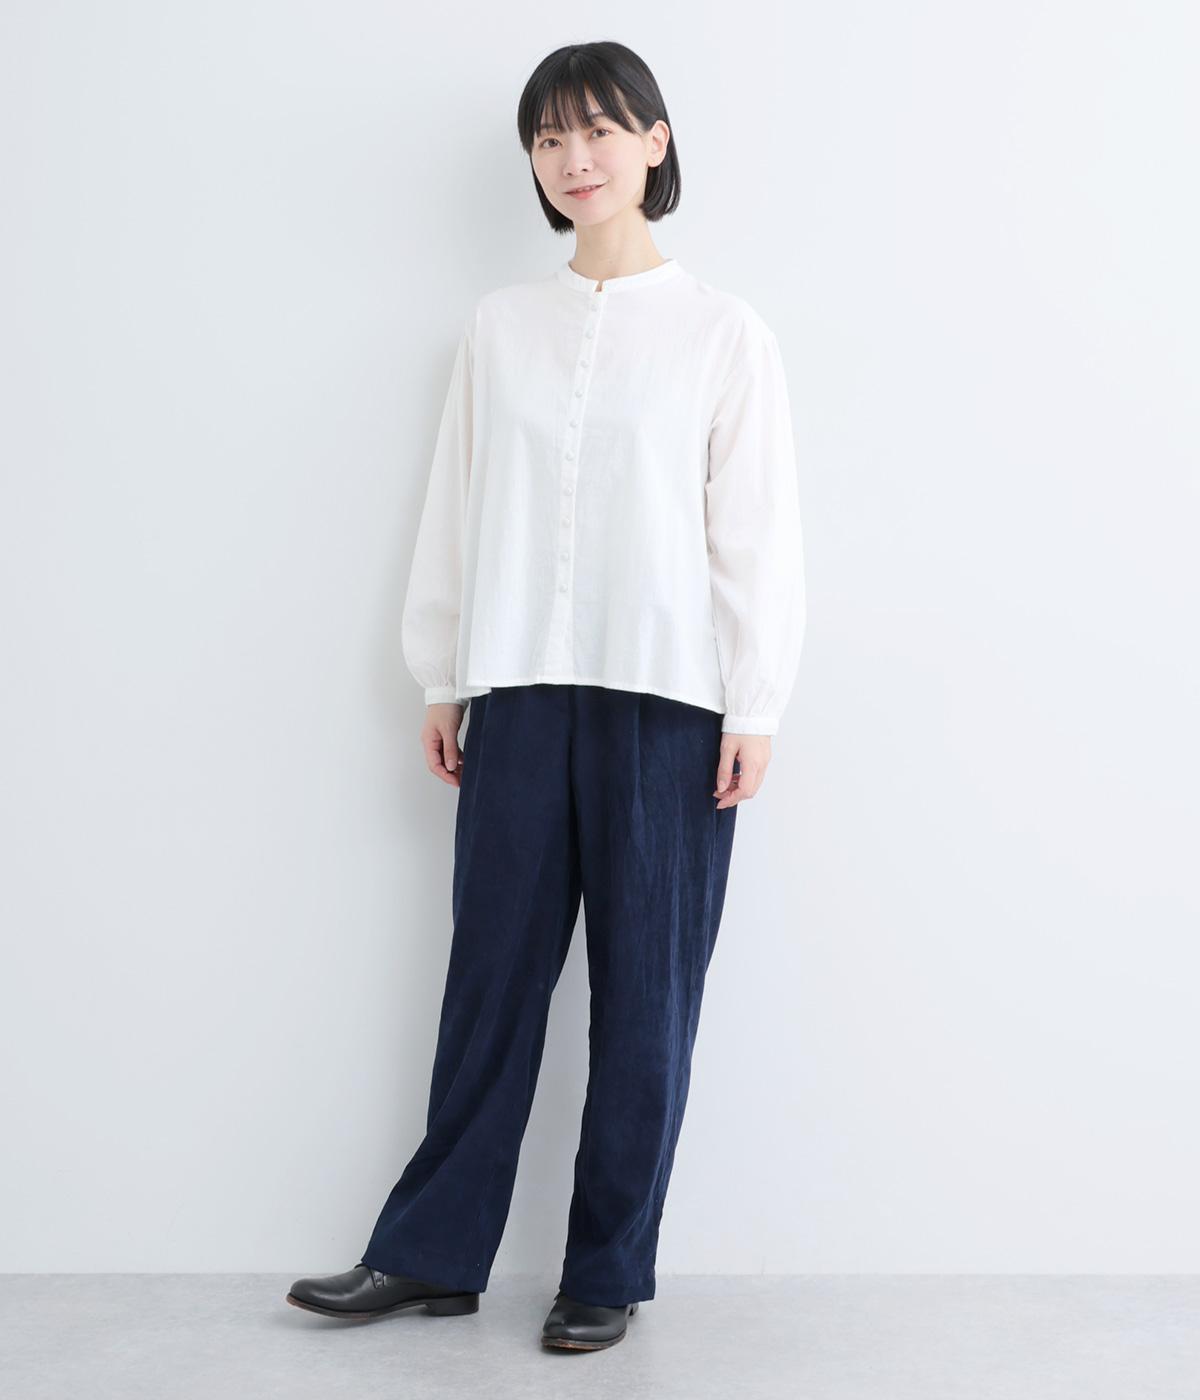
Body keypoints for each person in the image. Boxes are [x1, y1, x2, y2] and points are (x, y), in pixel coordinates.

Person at [286, 39, 806, 1353]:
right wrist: (443, 672)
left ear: (655, 142)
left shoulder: (723, 333)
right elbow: (458, 505)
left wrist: (754, 703)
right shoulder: (500, 328)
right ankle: (430, 1257)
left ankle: (605, 1273)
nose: (575, 158)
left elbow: (755, 532)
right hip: (516, 689)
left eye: (599, 131)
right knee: (489, 985)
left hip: (667, 703)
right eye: (550, 138)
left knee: (647, 998)